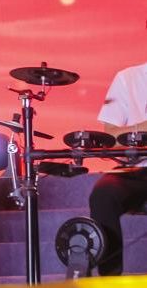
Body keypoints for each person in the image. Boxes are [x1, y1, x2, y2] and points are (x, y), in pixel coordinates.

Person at [89, 61, 147, 276]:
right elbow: (110, 137)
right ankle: (110, 277)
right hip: (137, 169)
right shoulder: (128, 78)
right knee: (104, 194)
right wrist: (143, 127)